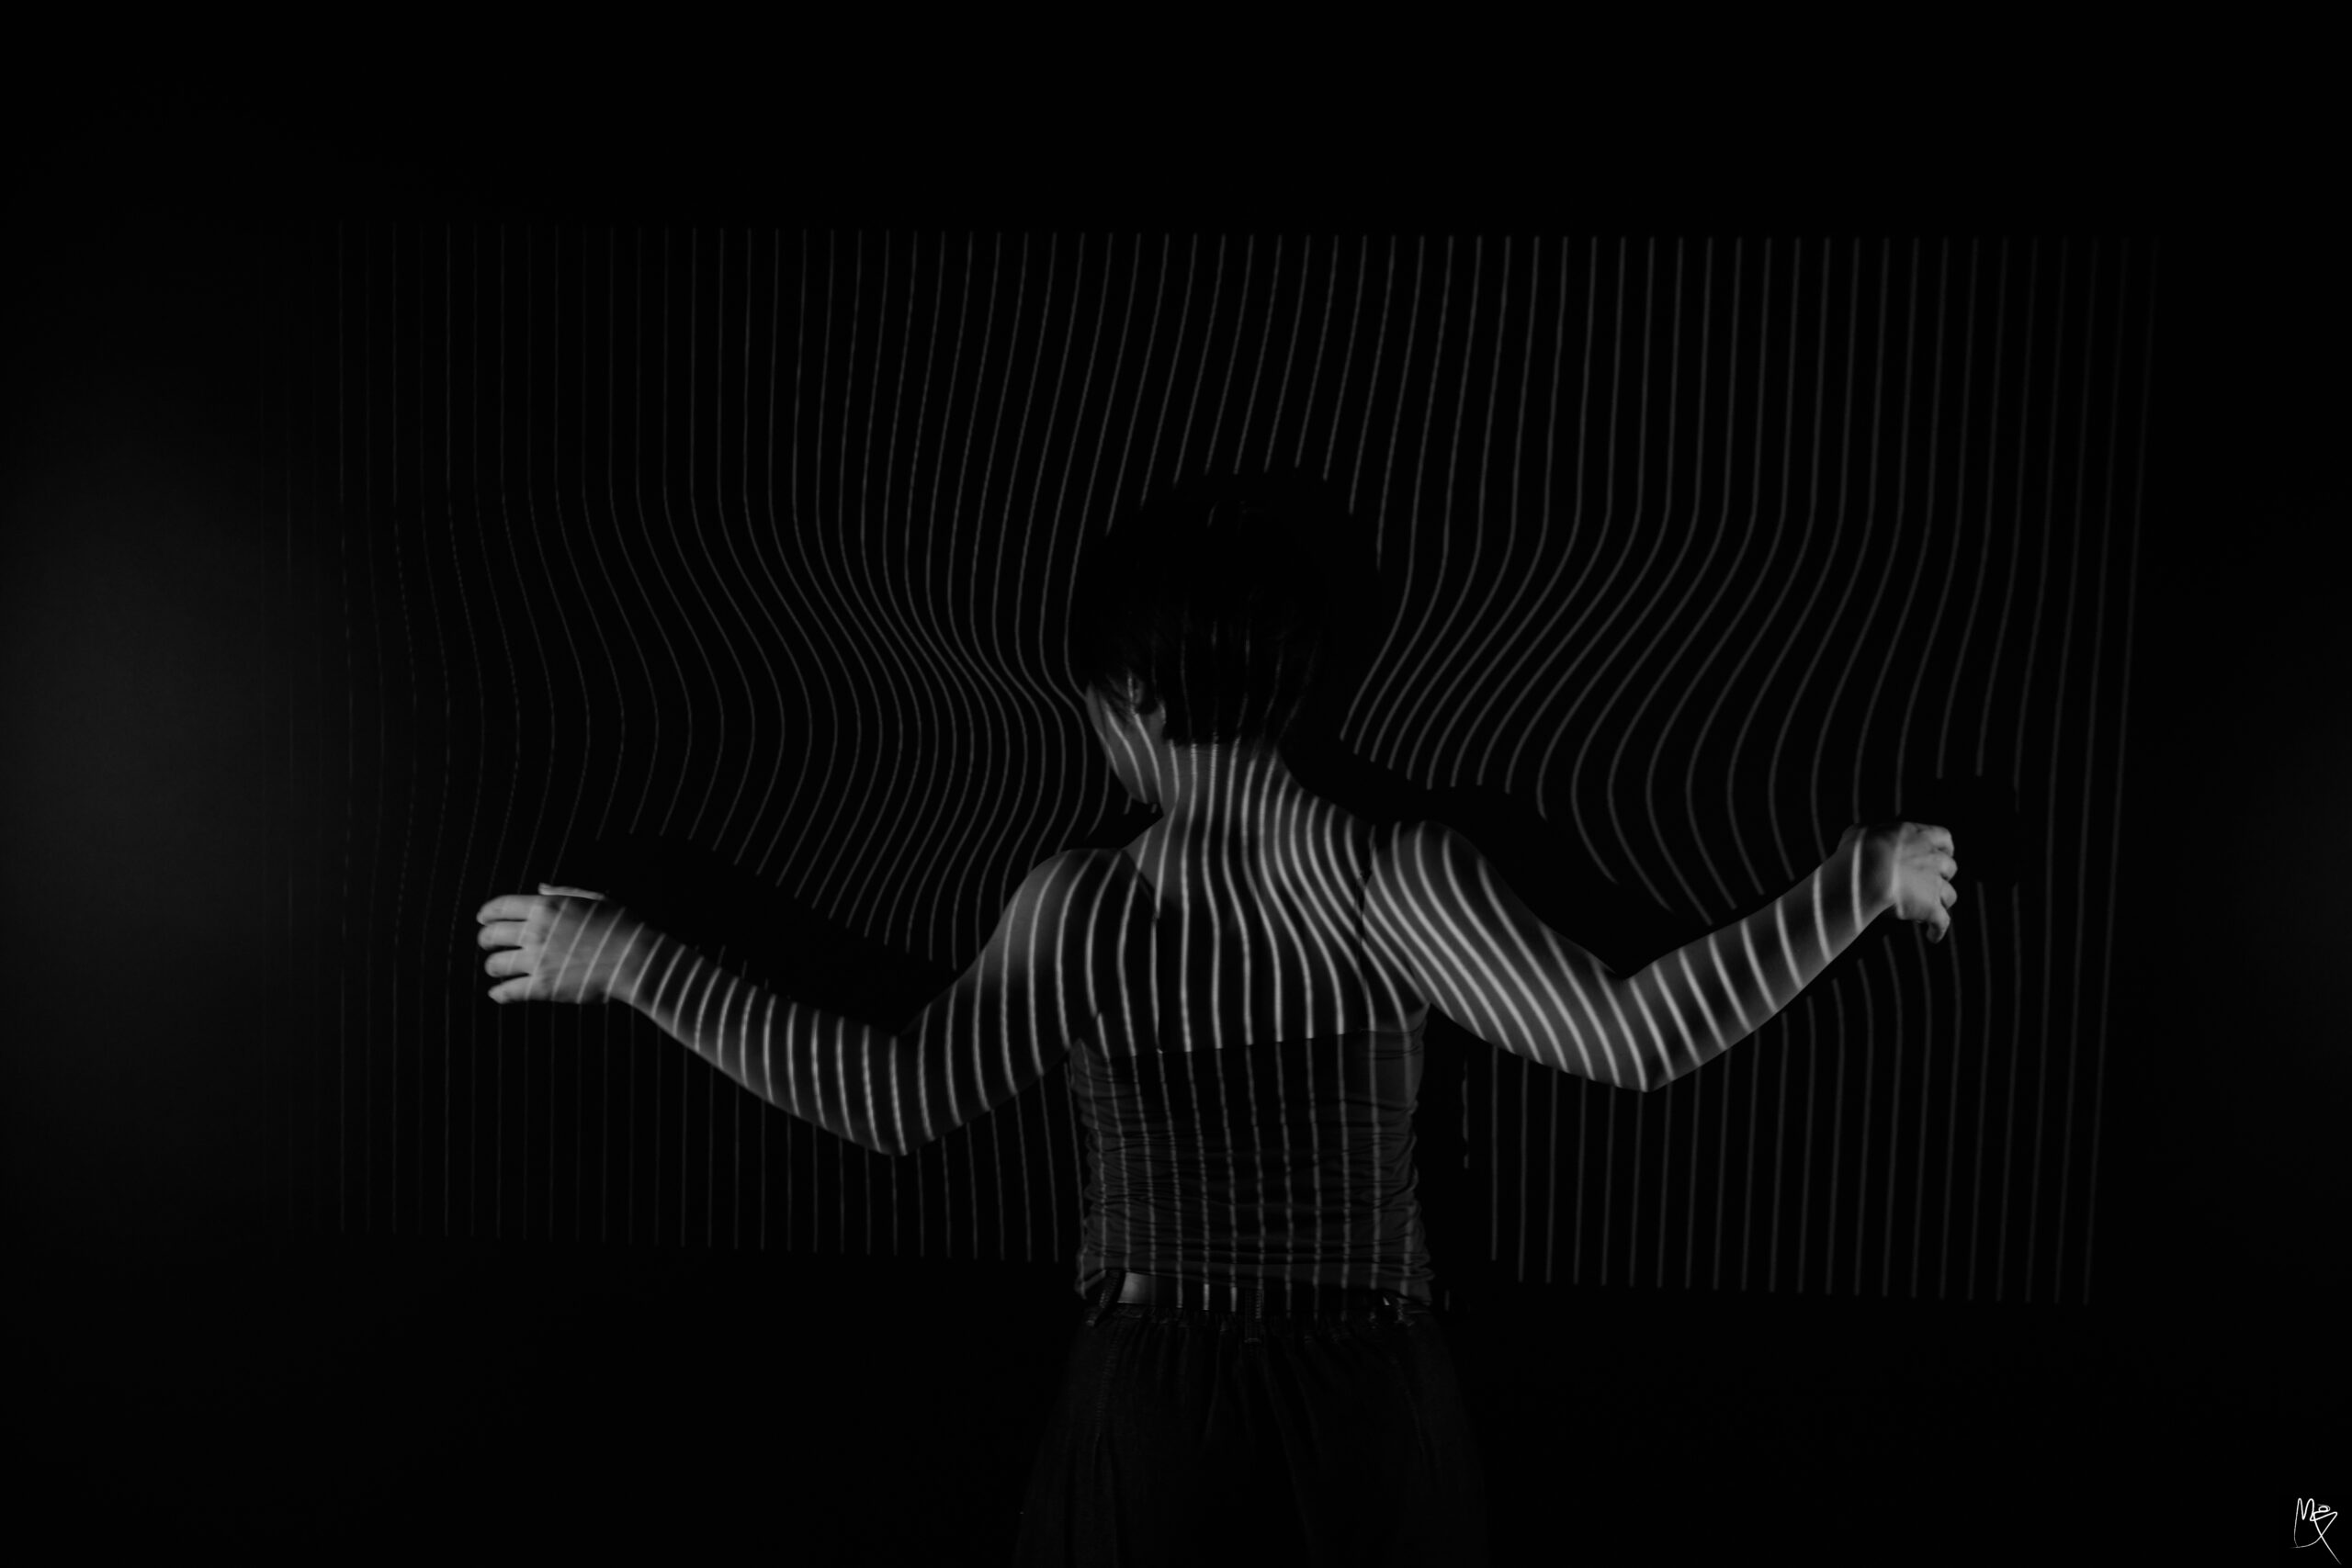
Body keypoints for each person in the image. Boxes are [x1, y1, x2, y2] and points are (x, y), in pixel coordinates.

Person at [478, 468, 1958, 1567]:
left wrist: (635, 964)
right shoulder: (1392, 875)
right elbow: (1641, 1041)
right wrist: (1856, 881)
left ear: (1126, 691)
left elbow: (889, 1101)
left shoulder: (1089, 905)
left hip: (1157, 1407)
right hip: (1368, 1399)